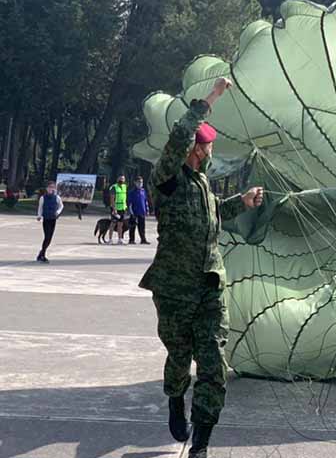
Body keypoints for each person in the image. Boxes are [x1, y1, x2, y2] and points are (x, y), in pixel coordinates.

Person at [139, 77, 265, 458]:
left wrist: (241, 202)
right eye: (207, 146)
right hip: (175, 289)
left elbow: (211, 219)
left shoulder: (203, 185)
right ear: (196, 149)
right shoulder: (169, 181)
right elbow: (179, 133)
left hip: (211, 285)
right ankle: (176, 399)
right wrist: (212, 97)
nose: (211, 152)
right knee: (179, 356)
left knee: (213, 362)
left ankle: (202, 443)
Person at [36, 181, 64, 263]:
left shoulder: (57, 197)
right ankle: (43, 255)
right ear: (47, 188)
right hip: (46, 219)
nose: (51, 189)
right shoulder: (43, 198)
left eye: (53, 187)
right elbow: (40, 207)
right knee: (47, 237)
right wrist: (39, 215)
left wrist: (58, 212)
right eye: (50, 187)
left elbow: (61, 206)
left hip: (53, 219)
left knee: (49, 239)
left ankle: (41, 254)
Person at [127, 176, 150, 244]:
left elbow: (145, 201)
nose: (140, 183)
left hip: (142, 212)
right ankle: (131, 240)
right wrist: (132, 213)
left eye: (141, 182)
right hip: (134, 212)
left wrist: (147, 210)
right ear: (135, 182)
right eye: (139, 182)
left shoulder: (143, 191)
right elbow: (130, 204)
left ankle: (143, 239)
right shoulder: (132, 192)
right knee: (132, 227)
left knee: (142, 227)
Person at [107, 174, 128, 244]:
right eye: (120, 179)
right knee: (113, 224)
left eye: (123, 179)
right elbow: (112, 199)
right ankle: (110, 239)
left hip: (122, 208)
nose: (122, 180)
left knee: (120, 224)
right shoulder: (114, 187)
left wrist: (125, 207)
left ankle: (120, 239)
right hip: (115, 209)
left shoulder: (125, 186)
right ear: (117, 179)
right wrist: (114, 209)